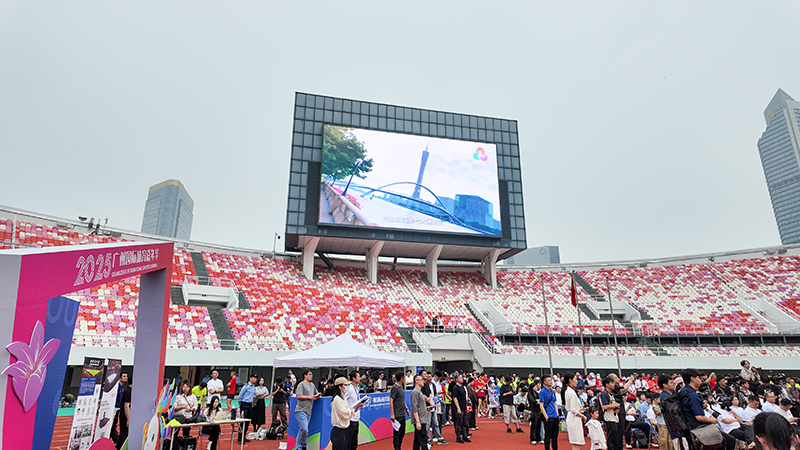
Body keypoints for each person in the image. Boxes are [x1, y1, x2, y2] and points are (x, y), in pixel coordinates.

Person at [680, 368, 735, 450]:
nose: (700, 381)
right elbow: (699, 417)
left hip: (688, 427)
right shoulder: (692, 395)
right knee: (729, 439)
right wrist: (712, 420)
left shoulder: (683, 391)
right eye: (699, 378)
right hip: (697, 429)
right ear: (692, 379)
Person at [331, 377, 365, 450]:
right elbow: (344, 413)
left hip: (345, 429)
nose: (347, 387)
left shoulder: (343, 398)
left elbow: (347, 411)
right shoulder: (337, 399)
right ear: (340, 387)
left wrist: (355, 408)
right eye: (345, 385)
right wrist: (355, 408)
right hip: (339, 430)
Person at [295, 369, 321, 450]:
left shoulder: (312, 385)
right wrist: (310, 397)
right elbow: (298, 396)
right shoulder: (301, 384)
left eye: (312, 374)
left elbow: (316, 394)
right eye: (310, 374)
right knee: (304, 429)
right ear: (305, 375)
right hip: (300, 410)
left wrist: (318, 395)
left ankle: (300, 446)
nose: (311, 376)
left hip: (308, 411)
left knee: (303, 430)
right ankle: (302, 446)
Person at [563, 373, 587, 450]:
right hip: (574, 417)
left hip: (573, 417)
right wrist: (582, 416)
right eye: (575, 379)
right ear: (570, 380)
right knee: (577, 441)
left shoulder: (569, 391)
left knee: (577, 441)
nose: (576, 381)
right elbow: (573, 409)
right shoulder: (571, 392)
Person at [600, 376, 623, 450]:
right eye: (611, 383)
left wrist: (616, 408)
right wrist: (615, 405)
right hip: (608, 417)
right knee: (611, 438)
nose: (613, 385)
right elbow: (605, 406)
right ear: (606, 384)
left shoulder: (611, 394)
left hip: (614, 417)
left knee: (615, 436)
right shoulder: (604, 394)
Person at [390, 371, 411, 450]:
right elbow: (391, 401)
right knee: (397, 434)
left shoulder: (401, 387)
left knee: (402, 432)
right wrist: (392, 414)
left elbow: (402, 400)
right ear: (402, 378)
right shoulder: (395, 388)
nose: (405, 379)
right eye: (404, 378)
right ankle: (397, 448)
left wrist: (406, 409)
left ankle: (399, 446)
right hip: (397, 415)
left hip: (402, 414)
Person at [541, 375, 560, 450]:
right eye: (549, 380)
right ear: (544, 382)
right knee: (548, 437)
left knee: (555, 437)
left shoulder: (552, 391)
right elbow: (541, 405)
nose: (551, 381)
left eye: (551, 380)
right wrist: (546, 416)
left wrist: (557, 413)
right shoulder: (542, 391)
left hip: (555, 416)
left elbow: (555, 402)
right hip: (548, 416)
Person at [411, 375, 430, 450]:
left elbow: (419, 406)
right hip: (420, 420)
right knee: (423, 441)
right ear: (416, 381)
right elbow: (414, 407)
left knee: (417, 442)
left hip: (422, 418)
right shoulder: (415, 392)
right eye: (421, 379)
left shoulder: (419, 392)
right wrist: (418, 421)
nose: (423, 381)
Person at [237, 373, 257, 444]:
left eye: (255, 378)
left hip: (250, 405)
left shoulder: (254, 387)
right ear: (250, 378)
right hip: (244, 404)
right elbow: (240, 396)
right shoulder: (246, 386)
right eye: (253, 378)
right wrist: (241, 405)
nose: (255, 379)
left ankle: (243, 437)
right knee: (243, 422)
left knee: (248, 422)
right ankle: (239, 438)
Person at [344, 371, 362, 450]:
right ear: (353, 379)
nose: (360, 378)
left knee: (354, 442)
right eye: (358, 377)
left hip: (356, 417)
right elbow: (343, 399)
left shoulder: (357, 388)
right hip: (350, 418)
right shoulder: (349, 389)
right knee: (349, 442)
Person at [451, 373, 470, 443]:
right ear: (456, 380)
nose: (462, 379)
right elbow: (455, 398)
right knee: (459, 423)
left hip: (464, 407)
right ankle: (458, 437)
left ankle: (464, 435)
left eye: (462, 378)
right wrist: (458, 408)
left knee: (465, 422)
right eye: (460, 378)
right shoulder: (455, 388)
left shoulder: (462, 386)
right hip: (459, 407)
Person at [111, 372, 128, 444]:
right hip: (114, 407)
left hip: (118, 408)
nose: (126, 378)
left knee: (114, 423)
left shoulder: (122, 387)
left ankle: (115, 439)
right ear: (120, 378)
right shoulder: (117, 386)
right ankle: (115, 439)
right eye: (124, 376)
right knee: (112, 423)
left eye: (126, 376)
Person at [116, 377, 132, 450]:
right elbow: (126, 406)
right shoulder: (128, 392)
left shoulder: (130, 391)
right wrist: (128, 419)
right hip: (125, 417)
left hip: (127, 417)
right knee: (124, 436)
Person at [529, 379, 543, 445]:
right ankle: (533, 438)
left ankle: (538, 438)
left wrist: (538, 401)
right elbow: (533, 401)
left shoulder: (537, 394)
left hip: (538, 410)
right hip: (533, 410)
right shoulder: (530, 394)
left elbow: (541, 400)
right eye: (535, 387)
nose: (536, 388)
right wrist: (537, 401)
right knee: (534, 424)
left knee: (539, 424)